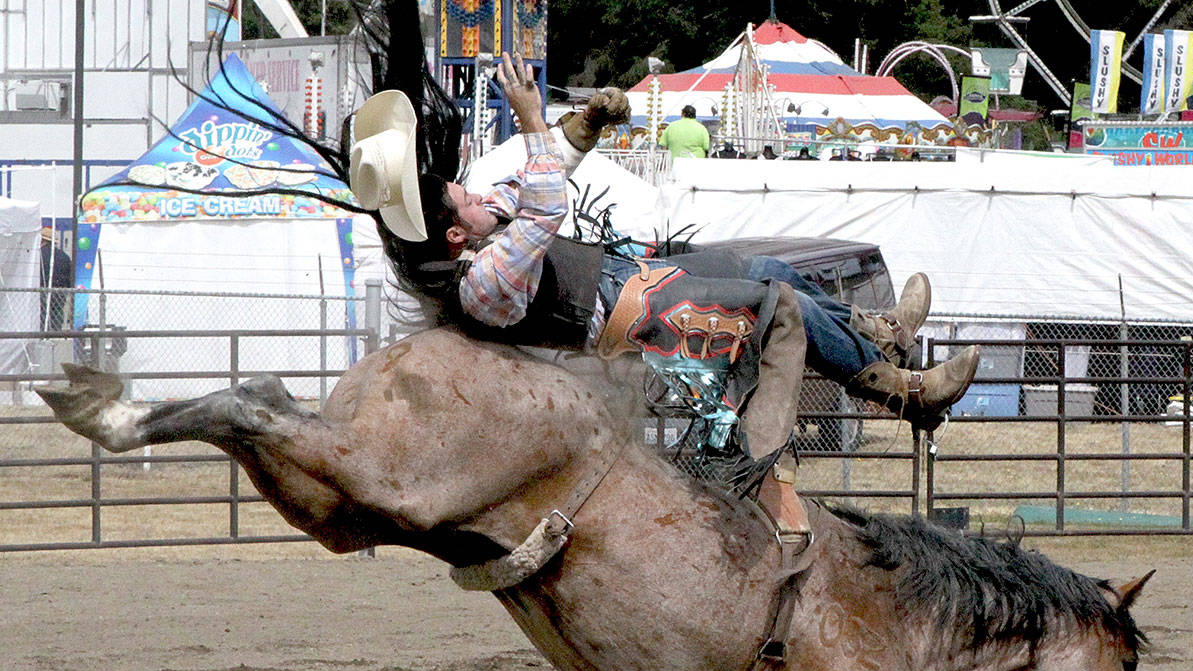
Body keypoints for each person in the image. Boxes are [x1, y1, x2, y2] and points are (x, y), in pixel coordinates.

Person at [348, 47, 978, 534]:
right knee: (773, 301)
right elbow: (542, 205)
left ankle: (879, 334)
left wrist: (586, 121)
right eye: (467, 198)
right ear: (456, 234)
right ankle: (902, 393)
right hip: (639, 314)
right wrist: (533, 118)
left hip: (639, 284)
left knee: (771, 269)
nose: (481, 193)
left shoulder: (480, 250)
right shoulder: (484, 284)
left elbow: (527, 183)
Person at [39, 226, 73, 331]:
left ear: (42, 240)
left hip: (42, 290)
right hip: (60, 291)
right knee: (57, 314)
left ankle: (42, 336)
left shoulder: (38, 255)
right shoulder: (65, 256)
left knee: (42, 315)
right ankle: (56, 336)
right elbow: (69, 277)